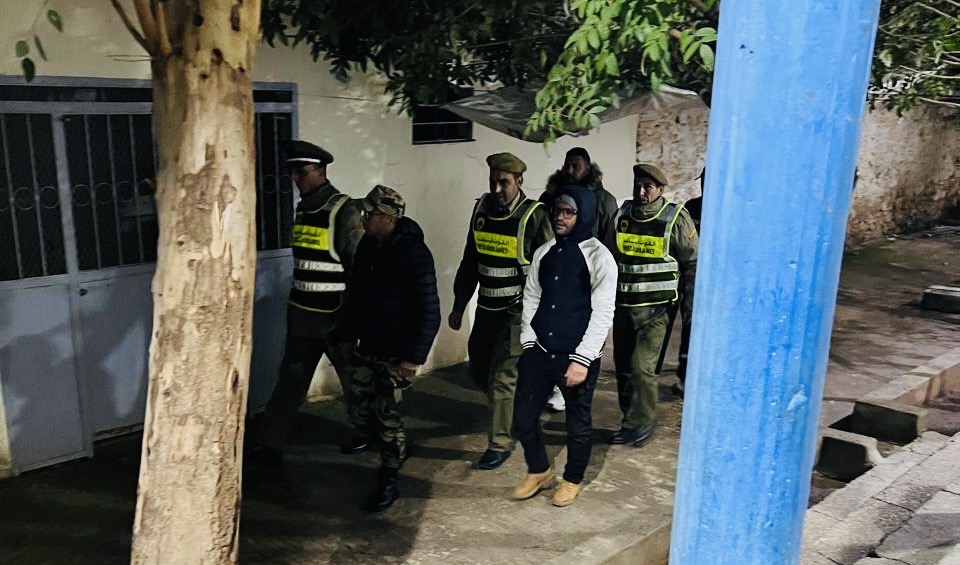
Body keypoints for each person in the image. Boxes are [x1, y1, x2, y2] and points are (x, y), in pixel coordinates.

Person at [250, 140, 363, 465]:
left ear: (321, 171)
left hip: (335, 317)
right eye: (293, 173)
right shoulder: (303, 209)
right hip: (302, 315)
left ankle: (371, 434)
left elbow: (357, 268)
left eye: (302, 172)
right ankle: (271, 441)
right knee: (290, 380)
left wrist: (354, 318)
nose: (295, 179)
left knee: (355, 381)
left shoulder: (343, 211)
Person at [510, 185, 617, 508]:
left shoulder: (599, 257)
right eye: (558, 210)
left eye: (569, 212)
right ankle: (539, 470)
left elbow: (603, 313)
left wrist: (582, 360)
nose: (560, 217)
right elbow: (531, 296)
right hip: (540, 351)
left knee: (577, 425)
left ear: (583, 216)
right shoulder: (544, 252)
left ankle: (572, 480)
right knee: (522, 419)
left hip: (576, 356)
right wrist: (529, 341)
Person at [336, 185, 441, 512]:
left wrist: (413, 358)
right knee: (358, 405)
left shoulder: (413, 253)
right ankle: (387, 446)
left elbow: (429, 310)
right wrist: (347, 333)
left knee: (388, 417)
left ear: (388, 217)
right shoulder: (368, 246)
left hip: (396, 353)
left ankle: (390, 477)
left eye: (369, 213)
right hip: (367, 345)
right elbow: (357, 294)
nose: (363, 218)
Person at [448, 152, 553, 471]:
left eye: (504, 182)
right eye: (493, 181)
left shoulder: (534, 215)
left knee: (502, 378)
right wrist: (459, 305)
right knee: (479, 369)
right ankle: (516, 407)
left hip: (518, 312)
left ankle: (500, 443)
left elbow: (551, 268)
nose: (496, 189)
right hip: (486, 308)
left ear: (519, 182)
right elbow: (470, 260)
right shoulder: (481, 209)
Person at [609, 164, 698, 448]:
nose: (641, 192)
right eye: (638, 185)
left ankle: (641, 422)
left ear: (660, 189)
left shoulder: (675, 219)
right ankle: (630, 418)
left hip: (658, 310)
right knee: (624, 368)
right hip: (624, 306)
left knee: (642, 368)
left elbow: (692, 264)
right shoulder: (622, 215)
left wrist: (689, 307)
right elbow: (608, 259)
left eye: (647, 186)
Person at [539, 147, 619, 411]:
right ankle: (554, 384)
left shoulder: (603, 200)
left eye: (577, 165)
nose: (571, 170)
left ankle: (573, 387)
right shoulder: (550, 196)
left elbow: (609, 240)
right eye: (567, 165)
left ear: (588, 167)